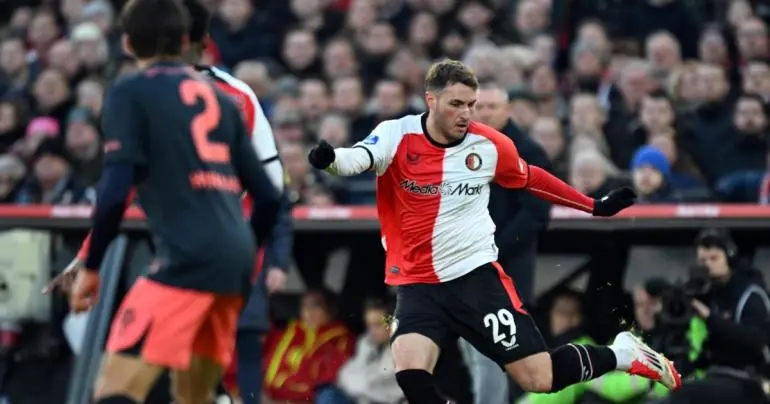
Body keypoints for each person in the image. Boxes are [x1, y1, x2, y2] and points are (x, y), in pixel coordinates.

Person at [307, 59, 681, 404]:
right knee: (410, 373)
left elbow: (532, 179)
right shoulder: (396, 134)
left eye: (471, 104)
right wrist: (332, 160)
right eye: (456, 104)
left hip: (476, 281)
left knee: (539, 378)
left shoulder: (488, 145)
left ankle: (622, 353)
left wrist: (594, 205)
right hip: (418, 284)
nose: (466, 114)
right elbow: (359, 157)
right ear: (430, 100)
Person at [68, 0, 281, 402]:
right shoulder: (222, 97)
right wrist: (245, 249)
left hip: (184, 259)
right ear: (185, 39)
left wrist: (92, 263)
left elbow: (114, 193)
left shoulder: (130, 92)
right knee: (196, 396)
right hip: (235, 260)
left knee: (115, 392)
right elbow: (270, 195)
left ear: (127, 44)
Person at [462, 82, 552, 404]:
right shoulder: (459, 147)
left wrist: (492, 249)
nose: (484, 113)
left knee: (492, 351)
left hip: (504, 270)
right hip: (462, 267)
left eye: (491, 107)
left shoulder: (529, 151)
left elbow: (537, 214)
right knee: (473, 351)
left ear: (508, 110)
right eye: (478, 107)